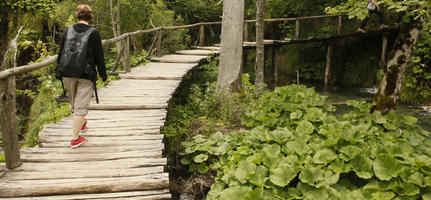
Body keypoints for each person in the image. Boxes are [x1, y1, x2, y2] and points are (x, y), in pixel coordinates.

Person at [55, 4, 107, 148]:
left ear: (77, 16)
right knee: (80, 107)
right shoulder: (94, 33)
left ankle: (81, 122)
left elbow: (61, 52)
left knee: (75, 104)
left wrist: (59, 70)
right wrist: (103, 74)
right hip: (85, 73)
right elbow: (99, 56)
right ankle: (75, 138)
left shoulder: (68, 30)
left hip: (67, 72)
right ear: (90, 16)